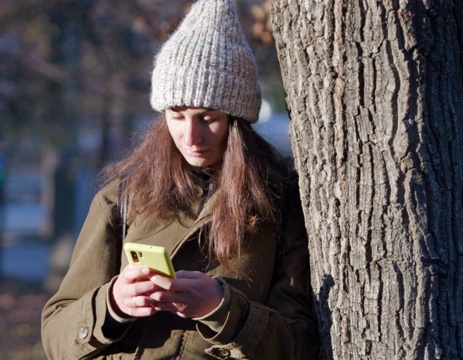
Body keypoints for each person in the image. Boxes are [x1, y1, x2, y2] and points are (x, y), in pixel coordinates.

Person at [41, 0, 319, 358]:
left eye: (207, 118)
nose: (190, 135)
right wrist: (111, 303)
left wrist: (221, 309)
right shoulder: (122, 198)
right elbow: (56, 335)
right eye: (176, 114)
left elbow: (302, 345)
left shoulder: (281, 202)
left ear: (237, 119)